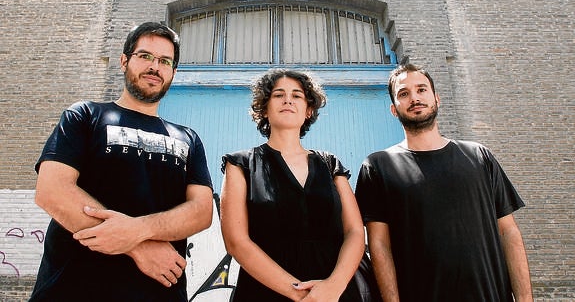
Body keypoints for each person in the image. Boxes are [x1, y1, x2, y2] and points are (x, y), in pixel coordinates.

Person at [30, 22, 214, 301]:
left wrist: (138, 231)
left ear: (173, 73)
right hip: (71, 288)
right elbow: (51, 191)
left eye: (165, 61)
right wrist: (137, 247)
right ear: (124, 61)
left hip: (157, 294)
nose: (155, 66)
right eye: (145, 56)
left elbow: (201, 212)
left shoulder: (188, 138)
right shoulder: (84, 115)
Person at [355, 63, 533, 302]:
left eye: (421, 89)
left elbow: (509, 232)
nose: (415, 98)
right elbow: (379, 246)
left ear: (437, 98)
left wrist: (524, 299)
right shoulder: (377, 166)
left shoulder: (479, 156)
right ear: (393, 110)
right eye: (404, 94)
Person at [219, 69, 368, 301]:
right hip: (266, 293)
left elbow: (355, 232)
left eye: (297, 95)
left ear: (309, 110)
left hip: (337, 293)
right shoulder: (241, 164)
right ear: (264, 109)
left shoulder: (330, 164)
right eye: (278, 95)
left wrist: (332, 288)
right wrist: (302, 295)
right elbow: (236, 242)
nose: (288, 99)